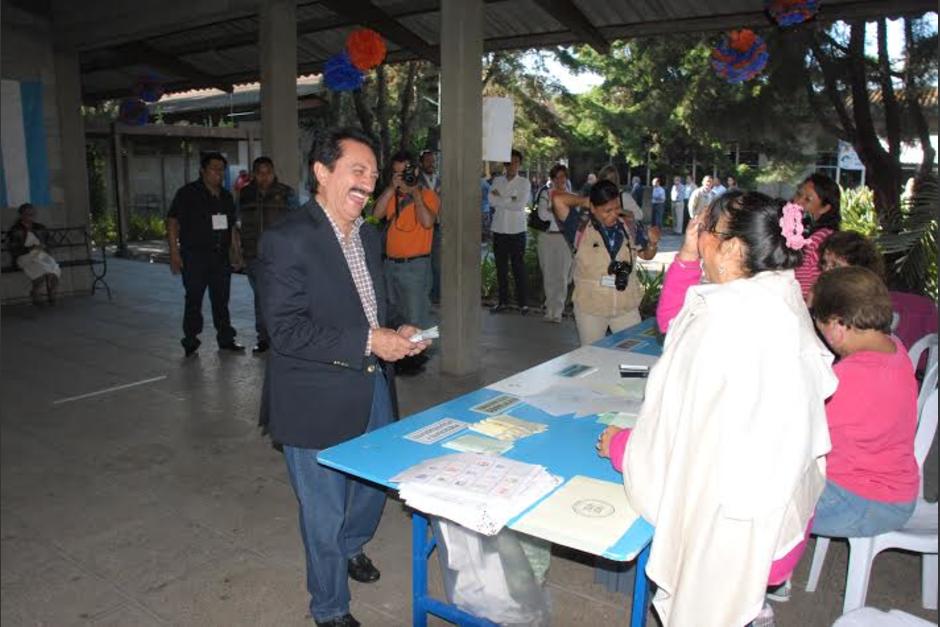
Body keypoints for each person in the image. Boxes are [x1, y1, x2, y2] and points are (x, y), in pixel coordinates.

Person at [599, 192, 837, 626]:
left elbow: (673, 447)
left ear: (731, 248)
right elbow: (677, 324)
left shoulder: (721, 322)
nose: (697, 236)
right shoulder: (780, 297)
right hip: (779, 521)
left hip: (730, 534)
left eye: (704, 229)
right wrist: (691, 256)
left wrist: (622, 447)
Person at [259, 128, 429, 627]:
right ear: (322, 172)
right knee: (323, 510)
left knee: (374, 487)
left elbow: (379, 305)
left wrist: (400, 327)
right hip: (313, 399)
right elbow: (284, 330)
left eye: (374, 175)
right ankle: (330, 608)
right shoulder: (287, 239)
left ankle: (351, 548)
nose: (369, 182)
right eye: (358, 171)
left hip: (373, 383)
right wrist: (368, 340)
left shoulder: (369, 236)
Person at [810, 266, 918, 537]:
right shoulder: (895, 347)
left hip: (862, 501)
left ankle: (770, 573)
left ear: (836, 326)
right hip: (893, 492)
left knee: (764, 503)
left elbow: (801, 431)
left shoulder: (851, 378)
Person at [551, 180, 660, 345]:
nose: (613, 215)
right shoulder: (579, 226)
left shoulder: (629, 225)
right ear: (593, 208)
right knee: (593, 356)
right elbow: (557, 199)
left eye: (617, 208)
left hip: (625, 305)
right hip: (591, 307)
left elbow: (646, 255)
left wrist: (652, 243)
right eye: (606, 210)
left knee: (633, 353)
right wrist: (584, 201)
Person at [817, 230, 938, 362]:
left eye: (835, 265)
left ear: (859, 269)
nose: (826, 271)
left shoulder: (864, 309)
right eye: (824, 263)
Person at [166, 152, 243, 357]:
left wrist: (236, 252)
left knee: (221, 300)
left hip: (220, 258)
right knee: (194, 299)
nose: (218, 173)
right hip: (194, 257)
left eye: (221, 169)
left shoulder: (226, 196)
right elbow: (173, 222)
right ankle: (190, 339)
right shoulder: (187, 194)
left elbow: (231, 227)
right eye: (214, 169)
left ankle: (226, 338)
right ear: (203, 171)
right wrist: (174, 252)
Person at [372, 151, 440, 375]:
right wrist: (392, 188)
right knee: (393, 314)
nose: (402, 177)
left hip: (415, 266)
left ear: (416, 172)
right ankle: (399, 356)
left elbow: (428, 222)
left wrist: (415, 194)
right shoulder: (393, 196)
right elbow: (376, 213)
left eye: (405, 173)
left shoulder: (428, 195)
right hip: (390, 265)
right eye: (396, 173)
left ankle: (415, 360)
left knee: (415, 315)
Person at [236, 156, 298, 354]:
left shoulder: (286, 193)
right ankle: (263, 339)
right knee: (261, 299)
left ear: (273, 172)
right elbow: (237, 225)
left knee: (282, 298)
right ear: (254, 174)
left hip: (280, 258)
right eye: (260, 173)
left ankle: (283, 337)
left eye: (268, 172)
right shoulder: (245, 194)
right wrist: (238, 252)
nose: (264, 177)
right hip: (254, 256)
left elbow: (297, 225)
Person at [489, 149, 532, 314]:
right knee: (501, 268)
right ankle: (503, 302)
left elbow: (519, 205)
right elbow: (491, 200)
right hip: (499, 229)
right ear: (505, 164)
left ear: (519, 164)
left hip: (517, 230)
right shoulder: (497, 180)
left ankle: (523, 304)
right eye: (509, 162)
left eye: (516, 162)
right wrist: (509, 198)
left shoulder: (524, 183)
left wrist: (501, 198)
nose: (512, 165)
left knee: (518, 267)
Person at [534, 163, 573, 323]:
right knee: (548, 274)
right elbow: (542, 215)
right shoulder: (545, 193)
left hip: (564, 239)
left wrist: (553, 210)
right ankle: (549, 308)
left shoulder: (571, 196)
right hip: (547, 237)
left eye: (563, 177)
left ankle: (558, 310)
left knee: (562, 276)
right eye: (557, 177)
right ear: (552, 178)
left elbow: (571, 218)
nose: (560, 180)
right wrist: (558, 212)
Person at [792, 172, 841, 299]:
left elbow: (810, 285)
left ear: (824, 208)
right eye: (798, 194)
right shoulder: (799, 232)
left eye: (807, 200)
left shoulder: (821, 239)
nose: (798, 202)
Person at [7, 203, 60, 306]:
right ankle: (36, 293)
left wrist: (45, 245)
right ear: (21, 215)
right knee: (40, 274)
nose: (31, 216)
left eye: (32, 214)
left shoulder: (40, 227)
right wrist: (30, 248)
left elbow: (52, 241)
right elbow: (13, 249)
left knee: (54, 270)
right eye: (27, 214)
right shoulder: (16, 230)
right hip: (24, 257)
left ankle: (51, 293)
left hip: (40, 254)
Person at [418, 150, 443, 305]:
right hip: (420, 227)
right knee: (421, 262)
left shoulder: (440, 181)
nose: (431, 164)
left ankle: (436, 296)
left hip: (438, 226)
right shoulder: (416, 181)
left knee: (436, 262)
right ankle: (422, 295)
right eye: (428, 161)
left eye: (433, 161)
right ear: (421, 163)